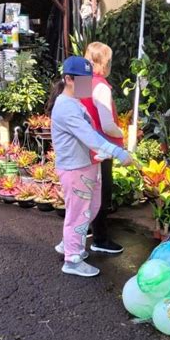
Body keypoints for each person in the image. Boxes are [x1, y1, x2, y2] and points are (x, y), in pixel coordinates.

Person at [49, 56, 134, 277]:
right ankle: (72, 259)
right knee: (78, 214)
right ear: (68, 79)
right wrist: (116, 151)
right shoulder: (66, 107)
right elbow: (88, 135)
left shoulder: (75, 101)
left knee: (90, 208)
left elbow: (90, 133)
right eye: (84, 81)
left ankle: (70, 244)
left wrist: (104, 151)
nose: (89, 86)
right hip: (75, 169)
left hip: (87, 164)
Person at [82, 41, 124, 254]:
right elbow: (107, 124)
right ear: (105, 64)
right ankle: (100, 238)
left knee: (86, 190)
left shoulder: (82, 82)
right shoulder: (101, 86)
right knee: (101, 191)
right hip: (101, 147)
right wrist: (121, 133)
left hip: (82, 146)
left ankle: (87, 229)